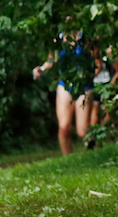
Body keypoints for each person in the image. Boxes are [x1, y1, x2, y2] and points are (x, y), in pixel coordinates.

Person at [32, 24, 96, 154]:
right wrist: (41, 69)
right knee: (63, 127)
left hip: (84, 85)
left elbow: (97, 62)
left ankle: (91, 148)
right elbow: (51, 60)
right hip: (65, 85)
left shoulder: (86, 40)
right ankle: (67, 158)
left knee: (83, 132)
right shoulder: (58, 41)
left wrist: (89, 76)